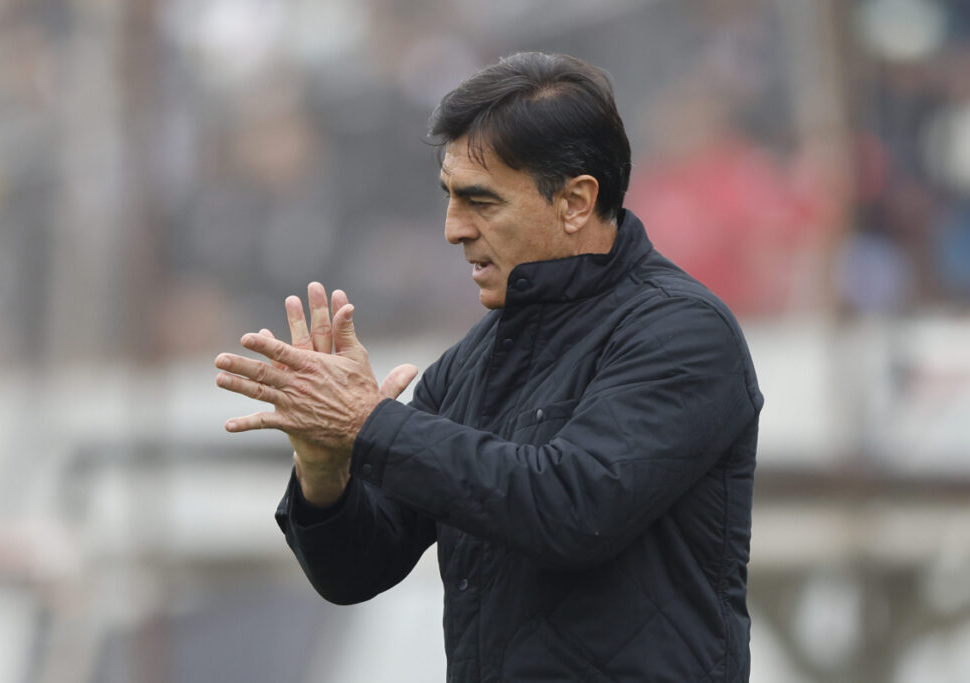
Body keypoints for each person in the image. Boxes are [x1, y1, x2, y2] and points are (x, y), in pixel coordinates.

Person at [215, 52, 763, 682]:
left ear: (577, 201)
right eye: (450, 198)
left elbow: (573, 508)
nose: (453, 229)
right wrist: (324, 468)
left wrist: (369, 425)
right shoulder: (472, 360)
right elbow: (355, 571)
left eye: (481, 201)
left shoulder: (683, 332)